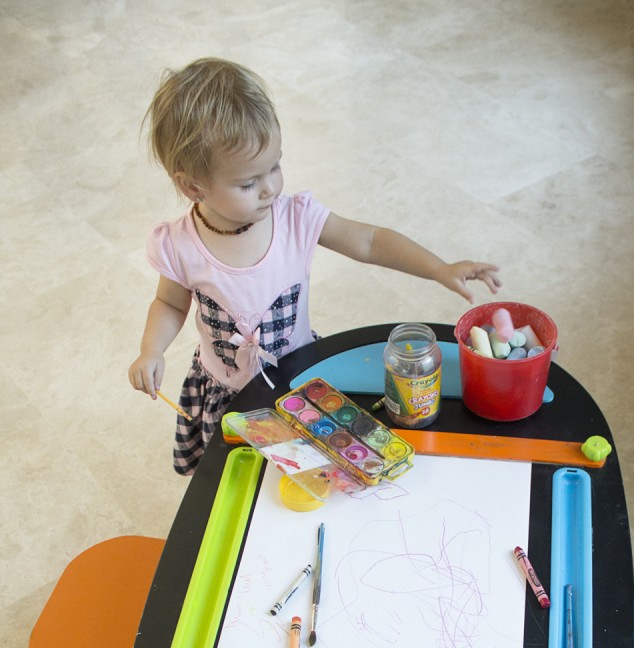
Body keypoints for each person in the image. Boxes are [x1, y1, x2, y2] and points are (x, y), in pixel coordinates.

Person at [128, 57, 503, 475]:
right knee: (244, 478)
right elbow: (169, 303)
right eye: (249, 183)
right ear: (192, 186)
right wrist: (151, 350)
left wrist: (439, 267)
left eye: (275, 166)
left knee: (312, 472)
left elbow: (369, 240)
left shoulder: (295, 218)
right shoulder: (181, 243)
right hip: (227, 391)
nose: (270, 186)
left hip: (302, 379)